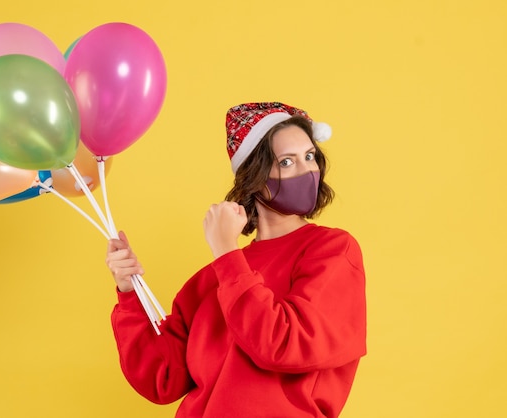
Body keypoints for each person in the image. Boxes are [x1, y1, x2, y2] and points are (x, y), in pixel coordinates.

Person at [105, 102, 367, 418]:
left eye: (310, 156)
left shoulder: (333, 250)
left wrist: (226, 252)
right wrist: (129, 294)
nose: (306, 170)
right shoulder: (211, 278)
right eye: (287, 161)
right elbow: (162, 380)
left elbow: (282, 345)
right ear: (254, 177)